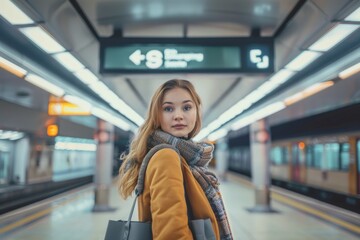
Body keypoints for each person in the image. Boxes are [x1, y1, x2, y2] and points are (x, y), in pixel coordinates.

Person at [118, 79, 233, 240]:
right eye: (168, 109)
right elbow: (171, 235)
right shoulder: (167, 157)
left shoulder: (182, 158)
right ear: (156, 115)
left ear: (196, 112)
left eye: (186, 107)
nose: (178, 116)